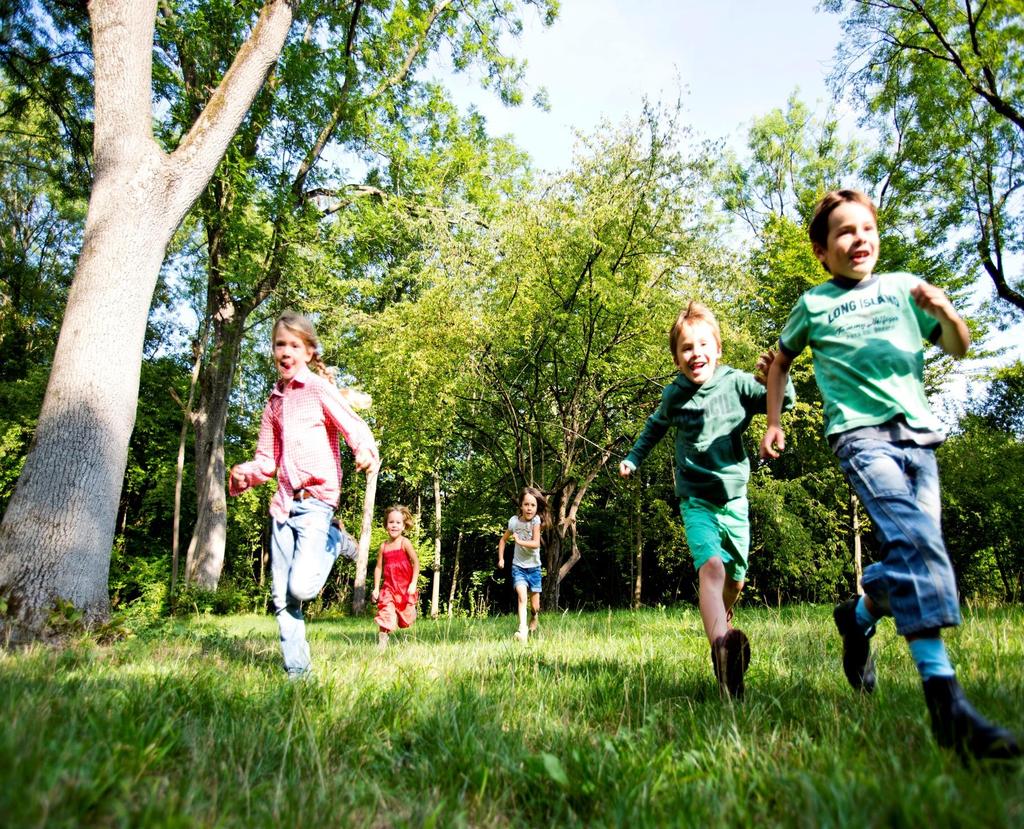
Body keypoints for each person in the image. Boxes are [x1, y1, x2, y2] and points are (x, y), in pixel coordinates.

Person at [760, 189, 1019, 761]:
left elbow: (959, 346)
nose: (859, 239)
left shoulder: (904, 290)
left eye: (866, 229)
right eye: (844, 233)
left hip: (919, 436)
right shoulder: (815, 304)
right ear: (823, 252)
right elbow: (778, 361)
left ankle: (857, 619)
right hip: (859, 437)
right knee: (917, 542)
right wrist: (774, 422)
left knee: (910, 553)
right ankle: (945, 701)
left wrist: (949, 312)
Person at [620, 301, 794, 699]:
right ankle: (723, 655)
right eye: (686, 348)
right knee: (711, 570)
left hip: (734, 500)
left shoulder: (735, 383)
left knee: (735, 579)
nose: (695, 353)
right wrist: (633, 458)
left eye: (703, 345)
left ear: (717, 349)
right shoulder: (675, 396)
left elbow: (781, 402)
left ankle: (724, 623)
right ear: (677, 357)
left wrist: (775, 378)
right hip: (695, 500)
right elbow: (653, 429)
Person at [229, 310, 378, 679]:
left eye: (294, 345)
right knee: (283, 597)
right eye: (280, 344)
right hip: (283, 505)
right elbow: (267, 460)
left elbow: (352, 424)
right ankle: (298, 672)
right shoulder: (274, 403)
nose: (286, 351)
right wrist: (245, 474)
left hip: (316, 502)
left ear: (309, 352)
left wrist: (363, 449)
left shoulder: (317, 389)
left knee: (302, 587)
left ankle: (335, 539)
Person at [497, 486, 551, 641]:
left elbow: (536, 543)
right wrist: (501, 558)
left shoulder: (536, 521)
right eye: (526, 504)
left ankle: (534, 617)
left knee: (535, 607)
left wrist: (520, 541)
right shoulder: (513, 522)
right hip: (518, 566)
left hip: (534, 568)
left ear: (537, 507)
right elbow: (502, 540)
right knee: (521, 596)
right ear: (521, 505)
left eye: (533, 505)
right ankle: (522, 630)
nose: (529, 508)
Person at [372, 505, 420, 650]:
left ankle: (406, 642)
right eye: (391, 522)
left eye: (398, 523)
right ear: (386, 524)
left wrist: (413, 583)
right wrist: (375, 589)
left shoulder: (405, 543)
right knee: (386, 613)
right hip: (389, 588)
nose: (394, 525)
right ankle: (382, 644)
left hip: (405, 589)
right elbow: (379, 567)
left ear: (404, 526)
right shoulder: (383, 546)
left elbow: (416, 563)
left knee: (406, 618)